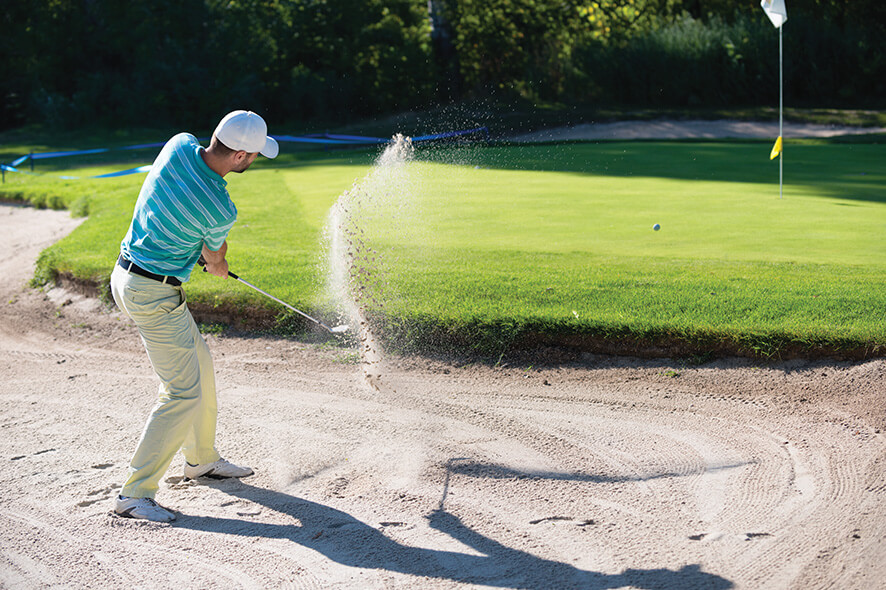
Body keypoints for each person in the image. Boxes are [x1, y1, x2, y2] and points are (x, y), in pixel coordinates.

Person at [109, 110, 279, 522]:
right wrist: (217, 263)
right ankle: (134, 493)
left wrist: (201, 254)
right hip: (152, 292)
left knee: (199, 364)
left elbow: (190, 230)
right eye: (254, 155)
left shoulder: (178, 144)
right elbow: (215, 256)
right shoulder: (220, 207)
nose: (254, 161)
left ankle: (201, 459)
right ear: (239, 156)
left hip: (127, 275)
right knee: (182, 391)